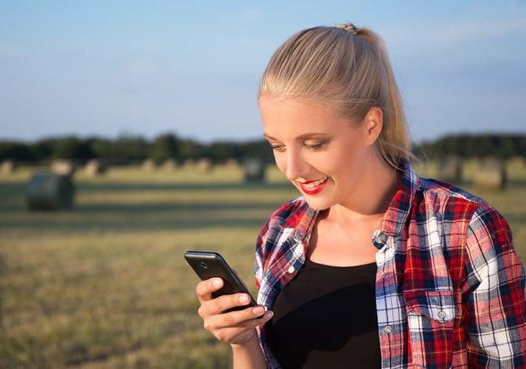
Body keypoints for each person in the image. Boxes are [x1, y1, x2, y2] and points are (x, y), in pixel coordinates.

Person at [194, 23, 526, 369]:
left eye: (314, 144)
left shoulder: (465, 229)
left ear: (371, 125)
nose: (292, 169)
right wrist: (244, 341)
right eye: (277, 146)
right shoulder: (281, 231)